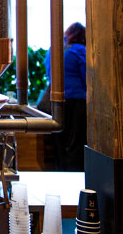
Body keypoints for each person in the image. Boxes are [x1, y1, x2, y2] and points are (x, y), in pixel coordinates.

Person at [45, 22, 87, 171]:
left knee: (59, 143)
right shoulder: (79, 50)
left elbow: (49, 73)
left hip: (56, 103)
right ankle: (74, 174)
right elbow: (87, 77)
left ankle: (60, 172)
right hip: (77, 102)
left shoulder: (53, 51)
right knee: (75, 142)